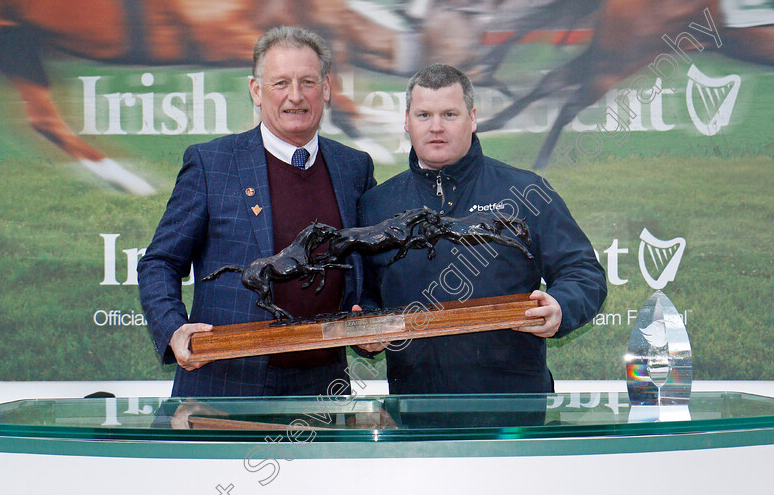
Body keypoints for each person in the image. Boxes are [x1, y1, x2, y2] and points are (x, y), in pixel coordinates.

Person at [138, 26, 376, 397]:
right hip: (225, 381)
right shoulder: (211, 163)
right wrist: (173, 328)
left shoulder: (354, 168)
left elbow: (371, 262)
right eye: (280, 82)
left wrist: (370, 315)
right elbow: (160, 262)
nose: (295, 96)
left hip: (324, 385)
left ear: (326, 89)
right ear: (256, 90)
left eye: (307, 82)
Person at [357, 63, 606, 394]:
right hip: (415, 411)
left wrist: (561, 305)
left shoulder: (525, 193)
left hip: (512, 410)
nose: (436, 127)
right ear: (406, 121)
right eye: (423, 115)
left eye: (449, 114)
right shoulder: (376, 205)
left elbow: (584, 273)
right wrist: (365, 329)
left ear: (472, 118)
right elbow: (365, 295)